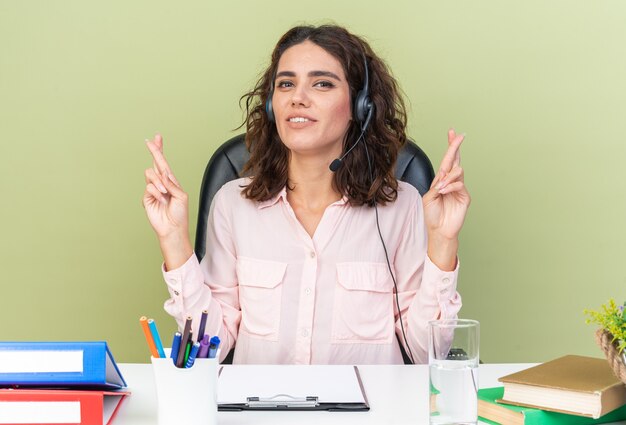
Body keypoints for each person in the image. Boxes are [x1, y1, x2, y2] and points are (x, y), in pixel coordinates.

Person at [142, 25, 470, 364]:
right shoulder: (232, 204)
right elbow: (209, 346)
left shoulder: (402, 206)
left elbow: (424, 353)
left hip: (369, 413)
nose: (298, 97)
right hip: (260, 414)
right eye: (286, 84)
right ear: (272, 105)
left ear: (360, 106)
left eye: (322, 83)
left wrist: (443, 241)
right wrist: (174, 241)